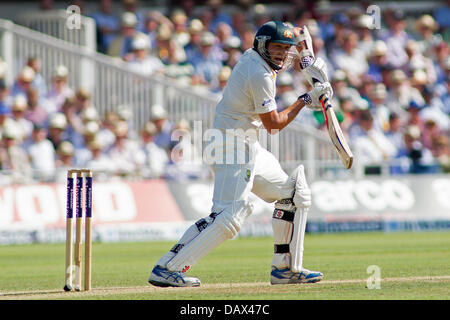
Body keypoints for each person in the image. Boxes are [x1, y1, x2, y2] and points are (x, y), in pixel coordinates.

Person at [148, 21, 333, 287]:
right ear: (262, 45)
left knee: (293, 193)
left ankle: (285, 268)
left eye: (286, 48)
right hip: (230, 145)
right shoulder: (257, 72)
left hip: (246, 145)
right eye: (277, 47)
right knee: (228, 217)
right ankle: (168, 268)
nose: (282, 53)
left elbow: (291, 44)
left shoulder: (259, 60)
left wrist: (308, 58)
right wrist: (305, 100)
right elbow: (273, 125)